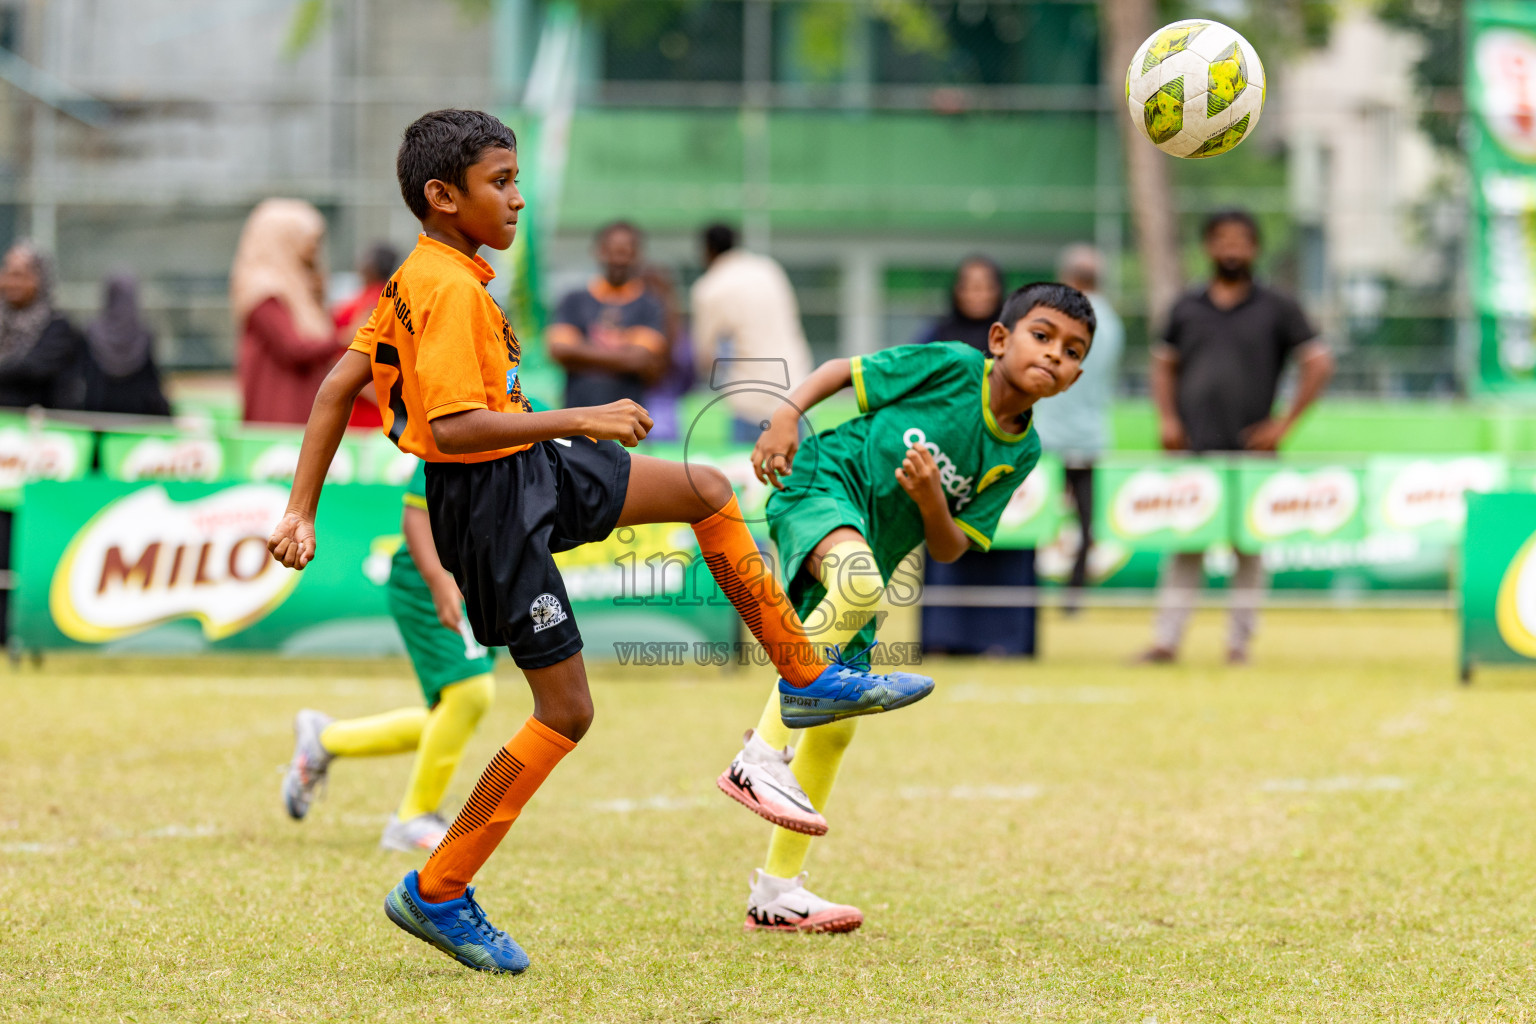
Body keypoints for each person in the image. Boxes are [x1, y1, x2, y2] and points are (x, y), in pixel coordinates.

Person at [265, 108, 934, 975]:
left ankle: (805, 680)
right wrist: (581, 416)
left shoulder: (423, 275)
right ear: (442, 196)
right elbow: (456, 429)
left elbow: (336, 388)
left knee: (705, 489)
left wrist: (301, 511)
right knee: (566, 711)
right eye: (500, 182)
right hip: (489, 505)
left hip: (526, 467)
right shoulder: (446, 288)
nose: (518, 199)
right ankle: (438, 887)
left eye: (516, 179)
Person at [716, 282, 1096, 932]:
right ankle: (758, 758)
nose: (1054, 354)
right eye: (1042, 335)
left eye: (1072, 351)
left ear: (1077, 376)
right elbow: (841, 371)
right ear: (1000, 339)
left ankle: (776, 894)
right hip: (823, 481)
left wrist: (930, 500)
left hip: (871, 551)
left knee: (838, 724)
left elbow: (950, 547)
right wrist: (786, 415)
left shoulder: (1022, 450)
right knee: (859, 583)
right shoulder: (953, 365)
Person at [1138, 209, 1334, 665]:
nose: (1231, 248)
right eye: (1222, 239)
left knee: (1249, 549)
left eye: (1241, 240)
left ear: (1255, 248)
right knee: (1185, 544)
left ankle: (1239, 644)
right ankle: (1166, 641)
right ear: (1208, 246)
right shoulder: (1186, 306)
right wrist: (1167, 419)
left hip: (1252, 451)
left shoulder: (1277, 306)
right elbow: (1163, 365)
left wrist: (1283, 425)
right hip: (1193, 449)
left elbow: (1319, 363)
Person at [282, 458, 496, 853]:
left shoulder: (544, 429)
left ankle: (326, 739)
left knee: (453, 714)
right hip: (430, 576)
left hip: (482, 576)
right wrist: (439, 581)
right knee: (470, 693)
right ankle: (412, 818)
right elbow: (416, 516)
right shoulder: (460, 424)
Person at [916, 256, 1035, 655]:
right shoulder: (938, 336)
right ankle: (943, 639)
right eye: (969, 285)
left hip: (1000, 457)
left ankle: (1003, 641)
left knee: (1000, 545)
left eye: (985, 286)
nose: (977, 294)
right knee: (947, 545)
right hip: (948, 459)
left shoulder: (1018, 339)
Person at [1033, 244, 1125, 609]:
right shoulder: (1112, 323)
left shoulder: (1058, 318)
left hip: (1049, 433)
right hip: (1091, 433)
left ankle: (1029, 587)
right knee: (1085, 519)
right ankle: (1074, 594)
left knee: (1035, 514)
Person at [689, 223, 813, 441]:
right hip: (796, 390)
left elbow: (705, 355)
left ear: (707, 250)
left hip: (751, 400)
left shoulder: (710, 287)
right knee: (798, 462)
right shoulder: (768, 269)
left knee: (751, 463)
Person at [230, 198, 339, 425]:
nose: (314, 251)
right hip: (279, 416)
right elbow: (294, 348)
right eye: (309, 242)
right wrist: (343, 338)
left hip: (304, 408)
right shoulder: (264, 291)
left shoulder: (298, 288)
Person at [546, 221, 668, 410]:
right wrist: (624, 354)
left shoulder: (650, 305)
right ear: (598, 252)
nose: (618, 260)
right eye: (611, 251)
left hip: (629, 418)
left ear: (638, 255)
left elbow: (640, 359)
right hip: (576, 416)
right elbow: (560, 350)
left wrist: (580, 353)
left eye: (625, 252)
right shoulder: (573, 300)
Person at [0, 241, 85, 410]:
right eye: (7, 273)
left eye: (19, 275)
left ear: (40, 278)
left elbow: (30, 370)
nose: (11, 282)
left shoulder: (57, 328)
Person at [79, 274, 172, 417]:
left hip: (99, 418)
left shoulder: (92, 332)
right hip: (138, 419)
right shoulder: (144, 335)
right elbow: (153, 388)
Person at [333, 242, 401, 429]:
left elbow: (335, 350)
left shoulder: (354, 306)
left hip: (356, 401)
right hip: (386, 403)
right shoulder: (396, 300)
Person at [911, 255, 1005, 353]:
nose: (978, 295)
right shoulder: (935, 337)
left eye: (987, 287)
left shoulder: (1009, 336)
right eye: (970, 287)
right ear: (956, 291)